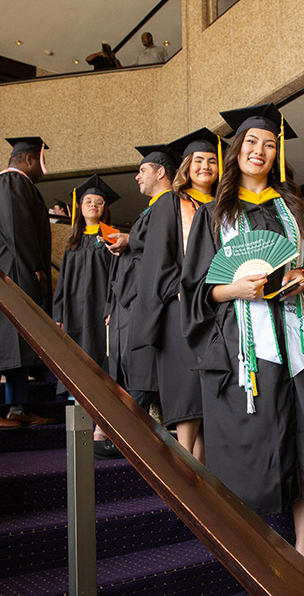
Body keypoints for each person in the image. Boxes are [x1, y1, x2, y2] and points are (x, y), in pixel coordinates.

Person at [180, 104, 304, 563]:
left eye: (270, 144)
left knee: (303, 442)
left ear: (278, 153)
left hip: (299, 346)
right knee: (251, 446)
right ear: (237, 150)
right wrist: (234, 288)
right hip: (245, 351)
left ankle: (302, 546)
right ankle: (251, 544)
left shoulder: (296, 207)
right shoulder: (214, 214)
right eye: (252, 142)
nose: (260, 151)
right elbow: (196, 290)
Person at [131, 128, 224, 463]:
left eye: (212, 160)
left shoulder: (223, 206)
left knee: (209, 394)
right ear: (186, 166)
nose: (205, 166)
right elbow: (159, 256)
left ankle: (203, 473)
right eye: (198, 160)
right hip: (180, 308)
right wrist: (181, 292)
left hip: (216, 307)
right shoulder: (173, 201)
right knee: (187, 390)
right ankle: (185, 464)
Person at [0, 136, 55, 429]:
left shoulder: (10, 185)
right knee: (1, 342)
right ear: (29, 159)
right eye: (41, 161)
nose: (44, 169)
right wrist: (36, 266)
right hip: (10, 272)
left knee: (17, 341)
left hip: (12, 271)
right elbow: (16, 229)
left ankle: (17, 407)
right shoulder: (10, 182)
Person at [103, 145, 176, 419]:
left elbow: (163, 244)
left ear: (160, 172)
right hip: (131, 300)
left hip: (147, 299)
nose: (137, 176)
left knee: (143, 367)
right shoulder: (151, 209)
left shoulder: (169, 202)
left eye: (142, 170)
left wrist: (129, 239)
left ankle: (122, 427)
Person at [52, 174, 119, 456]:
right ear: (80, 207)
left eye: (99, 202)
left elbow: (118, 277)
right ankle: (80, 429)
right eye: (88, 201)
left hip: (100, 313)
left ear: (105, 208)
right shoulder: (72, 242)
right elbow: (63, 283)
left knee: (100, 368)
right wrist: (57, 314)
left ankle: (100, 429)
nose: (93, 205)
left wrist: (112, 308)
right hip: (74, 315)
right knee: (76, 368)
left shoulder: (111, 236)